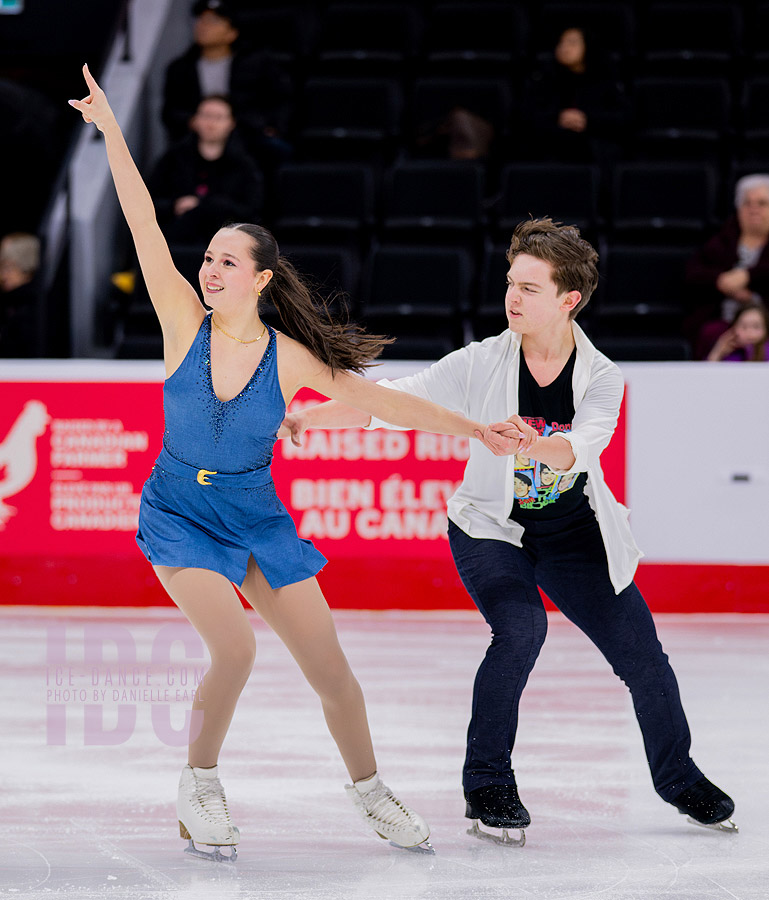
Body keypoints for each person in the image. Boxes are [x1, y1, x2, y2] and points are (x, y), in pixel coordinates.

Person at [68, 64, 525, 861]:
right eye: (207, 258)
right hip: (178, 514)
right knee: (235, 648)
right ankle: (199, 786)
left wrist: (477, 430)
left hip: (256, 516)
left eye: (225, 263)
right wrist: (112, 132)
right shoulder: (183, 321)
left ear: (262, 279)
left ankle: (371, 791)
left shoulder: (289, 358)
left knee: (332, 672)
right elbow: (142, 220)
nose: (209, 271)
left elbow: (389, 406)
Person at [281, 218, 738, 844]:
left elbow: (583, 445)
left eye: (529, 287)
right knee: (522, 628)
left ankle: (677, 776)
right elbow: (394, 402)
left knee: (645, 661)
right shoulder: (481, 361)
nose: (512, 297)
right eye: (510, 282)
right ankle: (487, 783)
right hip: (490, 528)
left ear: (568, 300)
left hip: (576, 535)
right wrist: (311, 417)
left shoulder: (602, 376)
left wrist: (537, 448)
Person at [162, 0, 292, 169]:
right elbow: (170, 111)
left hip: (248, 132)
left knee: (275, 151)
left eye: (213, 21)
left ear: (231, 33)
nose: (203, 25)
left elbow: (282, 97)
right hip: (198, 137)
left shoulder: (257, 62)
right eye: (200, 20)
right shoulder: (181, 67)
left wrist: (273, 126)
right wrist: (194, 121)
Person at [149, 95, 263, 245]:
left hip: (227, 241)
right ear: (195, 120)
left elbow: (251, 209)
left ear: (231, 123)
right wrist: (174, 205)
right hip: (177, 237)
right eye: (206, 116)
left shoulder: (244, 164)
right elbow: (148, 200)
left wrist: (205, 205)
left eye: (218, 117)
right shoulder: (174, 158)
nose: (211, 123)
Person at [686, 174, 769, 359]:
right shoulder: (723, 240)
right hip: (725, 322)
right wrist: (720, 281)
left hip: (765, 322)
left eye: (762, 203)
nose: (753, 209)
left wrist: (748, 277)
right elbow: (693, 274)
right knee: (708, 333)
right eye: (747, 203)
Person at [520, 26, 629, 166]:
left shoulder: (605, 80)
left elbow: (623, 118)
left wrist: (587, 120)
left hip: (593, 145)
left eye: (572, 42)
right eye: (561, 43)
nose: (564, 48)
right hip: (552, 144)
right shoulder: (544, 79)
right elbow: (527, 115)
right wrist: (558, 118)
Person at [0, 232, 40, 358]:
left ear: (28, 268)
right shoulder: (11, 305)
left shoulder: (32, 312)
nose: (2, 276)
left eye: (8, 267)